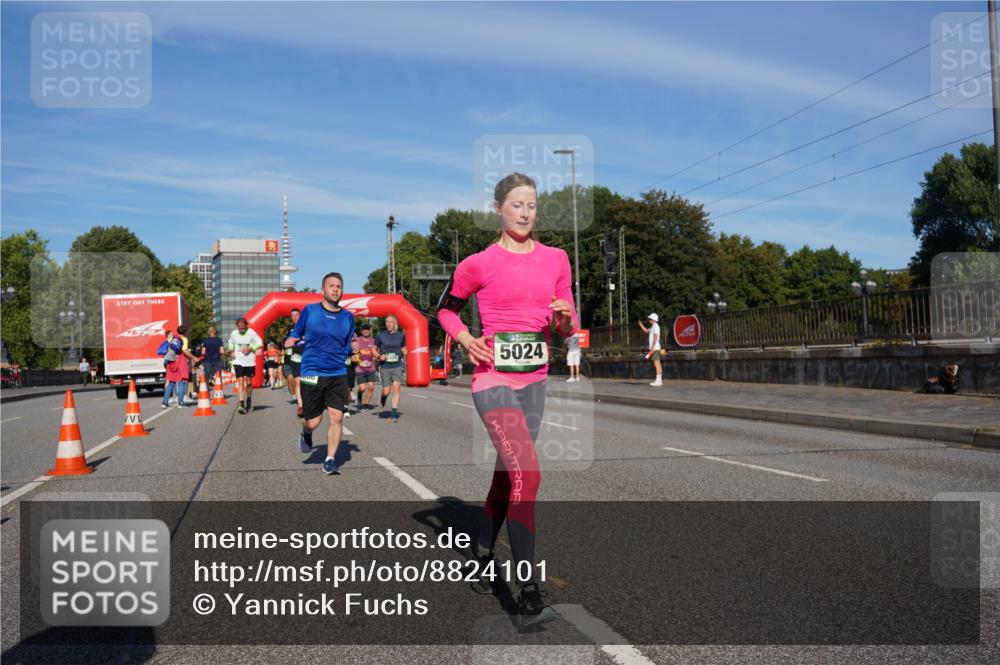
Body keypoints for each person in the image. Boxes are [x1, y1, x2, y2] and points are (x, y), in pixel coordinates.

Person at [436, 172, 577, 626]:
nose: (525, 213)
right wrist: (463, 337)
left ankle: (480, 551)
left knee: (508, 476)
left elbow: (567, 327)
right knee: (528, 475)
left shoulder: (557, 259)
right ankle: (528, 595)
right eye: (517, 205)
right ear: (498, 208)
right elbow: (444, 310)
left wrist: (562, 320)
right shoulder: (478, 263)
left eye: (532, 205)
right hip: (492, 379)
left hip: (534, 380)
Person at [285, 272, 357, 475]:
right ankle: (306, 432)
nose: (336, 289)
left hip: (337, 372)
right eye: (332, 286)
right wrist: (292, 338)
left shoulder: (348, 317)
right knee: (314, 421)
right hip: (312, 372)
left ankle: (330, 459)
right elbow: (296, 331)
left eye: (339, 286)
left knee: (336, 417)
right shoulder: (310, 311)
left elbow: (349, 343)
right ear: (323, 290)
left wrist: (354, 348)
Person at [227, 317, 263, 414]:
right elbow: (230, 342)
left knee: (249, 383)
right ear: (237, 327)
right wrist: (231, 350)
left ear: (246, 325)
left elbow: (260, 343)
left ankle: (249, 399)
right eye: (239, 328)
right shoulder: (234, 334)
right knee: (241, 382)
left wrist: (250, 349)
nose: (241, 329)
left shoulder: (251, 332)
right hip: (238, 361)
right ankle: (242, 404)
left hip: (250, 361)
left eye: (243, 327)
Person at [375, 314, 406, 423]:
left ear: (395, 323)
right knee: (387, 391)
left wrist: (407, 352)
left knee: (397, 387)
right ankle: (383, 397)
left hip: (397, 365)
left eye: (391, 322)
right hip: (385, 366)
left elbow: (403, 347)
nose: (388, 324)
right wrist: (379, 356)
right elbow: (373, 349)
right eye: (387, 322)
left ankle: (394, 413)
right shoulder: (380, 335)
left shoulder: (401, 335)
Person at [282, 308, 305, 417]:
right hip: (296, 357)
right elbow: (286, 342)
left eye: (297, 315)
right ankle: (300, 406)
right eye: (293, 316)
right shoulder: (290, 329)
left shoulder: (308, 326)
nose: (295, 317)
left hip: (308, 357)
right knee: (298, 381)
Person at [354, 323, 378, 411]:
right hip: (360, 368)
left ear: (370, 330)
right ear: (361, 330)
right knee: (362, 388)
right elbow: (352, 351)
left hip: (371, 368)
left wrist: (376, 358)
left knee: (371, 386)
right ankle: (359, 395)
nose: (366, 331)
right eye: (364, 329)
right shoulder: (357, 340)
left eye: (367, 329)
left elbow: (377, 352)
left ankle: (366, 404)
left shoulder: (374, 341)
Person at [637, 314, 662, 386]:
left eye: (650, 319)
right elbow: (646, 331)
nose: (649, 320)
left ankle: (658, 381)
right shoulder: (653, 327)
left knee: (656, 364)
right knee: (658, 364)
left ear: (653, 319)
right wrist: (641, 325)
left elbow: (655, 338)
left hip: (655, 349)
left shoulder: (656, 327)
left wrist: (652, 349)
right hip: (655, 348)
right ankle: (659, 380)